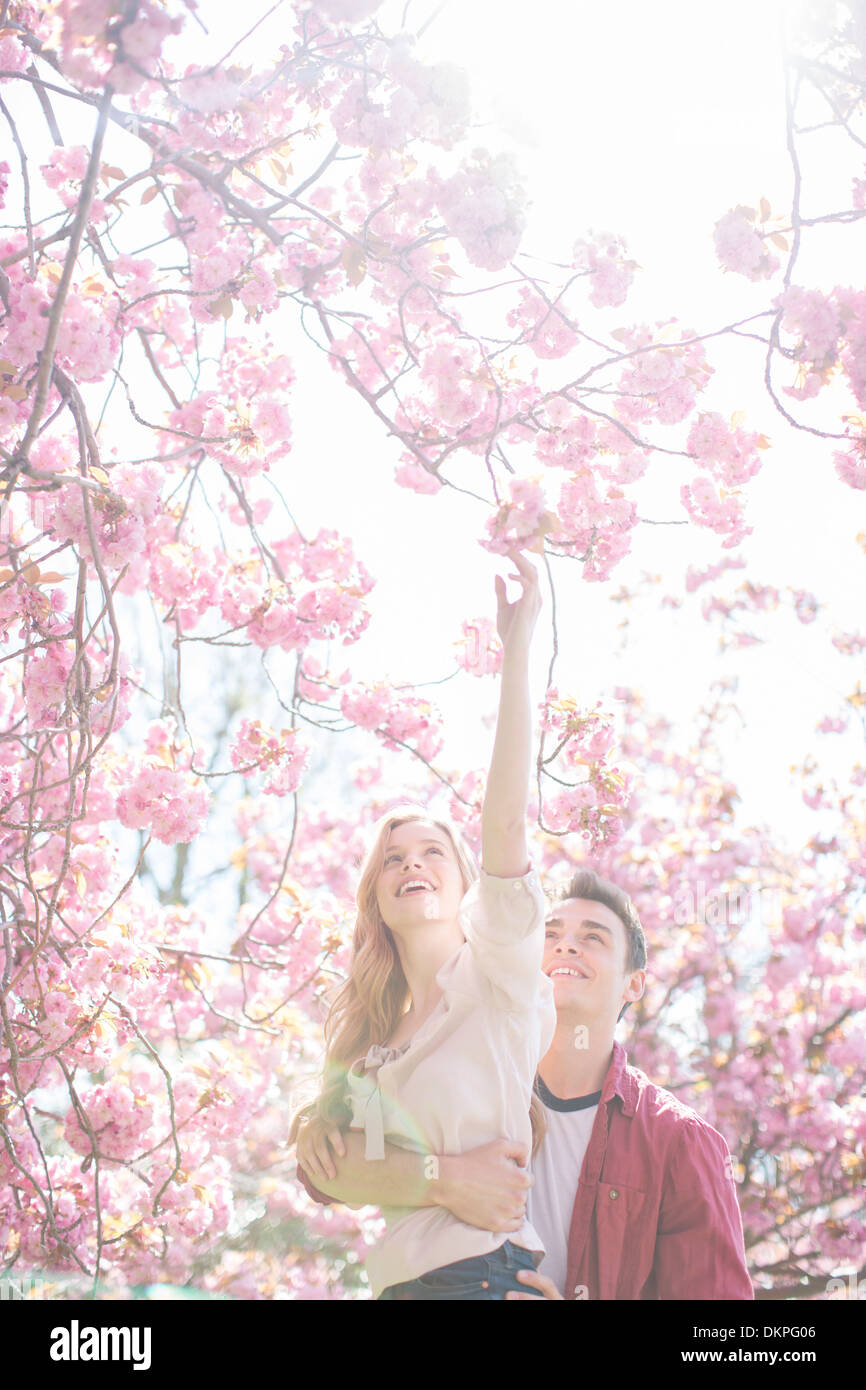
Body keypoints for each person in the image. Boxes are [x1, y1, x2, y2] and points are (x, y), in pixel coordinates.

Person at [295, 868, 754, 1301]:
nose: (566, 947)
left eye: (592, 937)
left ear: (633, 984)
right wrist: (339, 1129)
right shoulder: (462, 1079)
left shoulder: (678, 1140)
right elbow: (325, 1178)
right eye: (549, 935)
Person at [292, 550, 555, 1300]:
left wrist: (517, 649)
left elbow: (503, 823)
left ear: (465, 881)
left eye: (433, 852)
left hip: (481, 1279)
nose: (413, 864)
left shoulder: (497, 978)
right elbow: (335, 1174)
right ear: (374, 897)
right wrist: (445, 1177)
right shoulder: (372, 1044)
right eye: (393, 858)